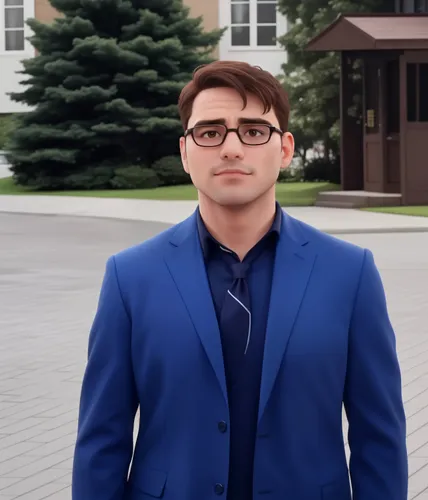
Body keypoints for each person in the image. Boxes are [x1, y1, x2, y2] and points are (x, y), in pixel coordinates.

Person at [72, 60, 408, 500]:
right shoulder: (130, 277)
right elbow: (102, 439)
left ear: (285, 149)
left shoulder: (350, 273)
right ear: (185, 151)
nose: (231, 148)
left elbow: (379, 436)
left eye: (253, 130)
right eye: (210, 132)